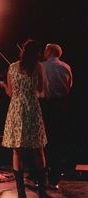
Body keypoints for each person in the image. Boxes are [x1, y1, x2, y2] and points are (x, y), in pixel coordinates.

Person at [0, 39, 48, 198]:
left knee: (17, 150)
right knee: (38, 149)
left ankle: (21, 193)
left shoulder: (12, 67)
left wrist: (4, 86)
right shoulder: (38, 67)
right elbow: (40, 89)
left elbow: (11, 93)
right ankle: (42, 191)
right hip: (32, 108)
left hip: (16, 109)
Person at [40, 43, 73, 189]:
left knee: (45, 140)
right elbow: (69, 85)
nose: (44, 52)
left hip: (46, 105)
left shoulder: (41, 66)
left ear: (51, 51)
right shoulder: (66, 67)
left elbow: (38, 87)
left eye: (46, 50)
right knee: (58, 140)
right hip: (61, 105)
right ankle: (55, 178)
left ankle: (42, 174)